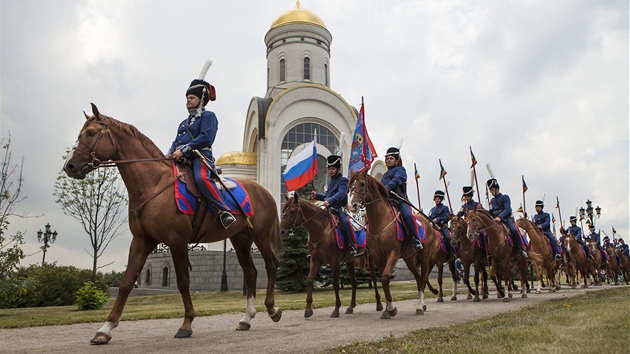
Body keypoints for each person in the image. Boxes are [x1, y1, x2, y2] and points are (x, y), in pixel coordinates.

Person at [167, 79, 236, 229]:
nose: (188, 100)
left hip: (200, 156)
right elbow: (176, 141)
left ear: (201, 99)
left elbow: (206, 137)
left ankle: (223, 211)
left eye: (191, 98)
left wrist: (184, 150)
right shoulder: (183, 123)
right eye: (187, 98)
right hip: (180, 158)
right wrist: (169, 153)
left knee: (201, 178)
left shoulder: (208, 116)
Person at [312, 155, 360, 256]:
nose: (331, 171)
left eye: (333, 169)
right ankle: (316, 247)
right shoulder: (330, 182)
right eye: (329, 169)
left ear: (338, 169)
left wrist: (329, 200)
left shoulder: (343, 181)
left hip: (340, 208)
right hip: (329, 209)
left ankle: (353, 246)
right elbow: (327, 196)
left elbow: (340, 194)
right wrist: (317, 195)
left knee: (346, 222)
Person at [380, 147, 423, 251]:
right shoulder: (384, 176)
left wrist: (385, 188)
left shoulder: (401, 170)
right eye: (387, 159)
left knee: (407, 215)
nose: (388, 160)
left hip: (400, 200)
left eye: (391, 158)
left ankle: (416, 239)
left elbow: (396, 180)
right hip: (387, 201)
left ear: (396, 160)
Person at [486, 178, 528, 259]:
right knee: (487, 233)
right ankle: (489, 253)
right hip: (495, 221)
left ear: (497, 188)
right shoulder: (492, 201)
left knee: (514, 230)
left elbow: (507, 209)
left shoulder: (505, 197)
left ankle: (521, 249)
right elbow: (491, 212)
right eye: (490, 190)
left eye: (493, 190)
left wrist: (500, 217)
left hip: (506, 219)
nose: (491, 192)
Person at [429, 190, 455, 260]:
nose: (437, 200)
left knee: (448, 237)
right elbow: (429, 218)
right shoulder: (432, 210)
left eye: (438, 199)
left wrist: (437, 219)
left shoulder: (445, 208)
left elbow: (446, 217)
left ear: (441, 199)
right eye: (436, 199)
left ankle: (452, 253)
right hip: (433, 227)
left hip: (442, 227)